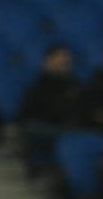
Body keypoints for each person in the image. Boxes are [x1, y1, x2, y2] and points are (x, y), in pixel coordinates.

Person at [17, 43, 84, 178]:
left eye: (65, 59)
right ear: (48, 61)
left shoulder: (75, 85)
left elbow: (82, 108)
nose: (64, 61)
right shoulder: (38, 86)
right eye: (59, 58)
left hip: (70, 127)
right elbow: (28, 113)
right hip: (47, 127)